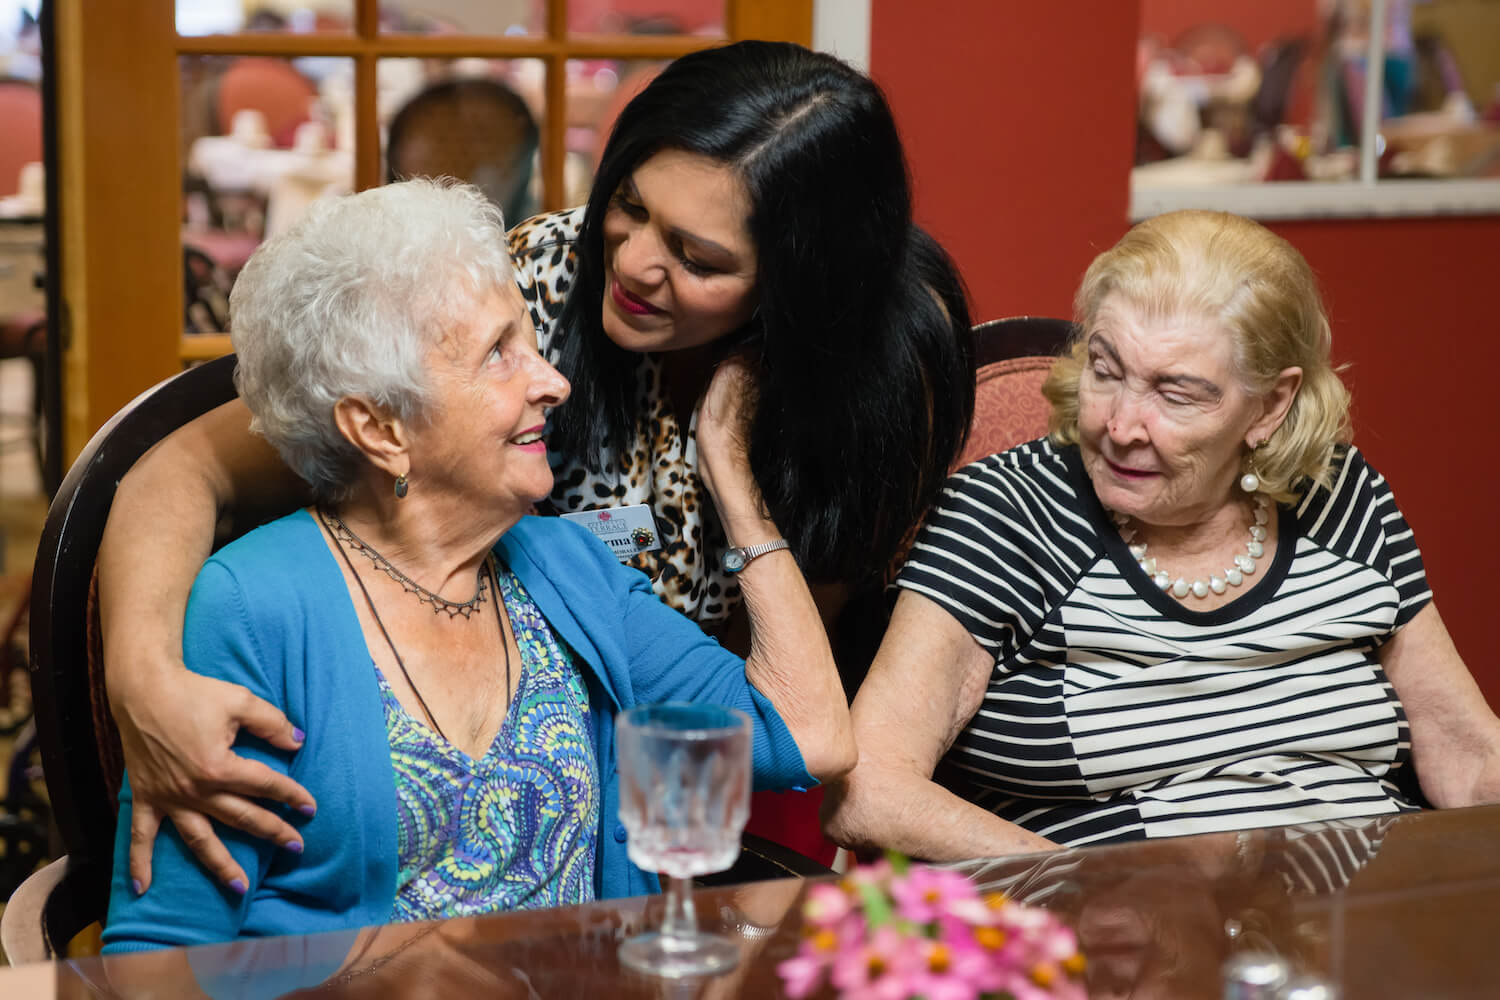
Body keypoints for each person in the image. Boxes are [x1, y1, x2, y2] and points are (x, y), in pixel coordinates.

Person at [99, 40, 970, 889]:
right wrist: (145, 678)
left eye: (697, 258)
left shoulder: (875, 381)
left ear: (797, 286)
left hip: (725, 774)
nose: (631, 263)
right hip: (525, 755)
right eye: (628, 203)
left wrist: (731, 472)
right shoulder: (531, 288)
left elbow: (785, 712)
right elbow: (181, 469)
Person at [101, 179, 854, 951]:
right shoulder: (254, 608)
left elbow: (810, 733)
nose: (553, 382)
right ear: (380, 428)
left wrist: (729, 466)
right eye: (500, 353)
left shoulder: (567, 570)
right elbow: (157, 955)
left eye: (532, 342)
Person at [824, 209, 1500, 860]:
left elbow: (1467, 755)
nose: (1121, 426)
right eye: (1106, 371)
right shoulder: (1005, 515)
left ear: (1270, 404)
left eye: (1174, 395)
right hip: (1126, 949)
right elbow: (868, 791)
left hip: (1368, 926)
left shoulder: (1345, 497)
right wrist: (1085, 883)